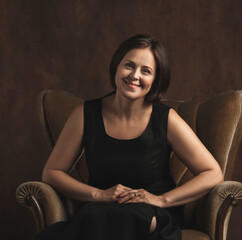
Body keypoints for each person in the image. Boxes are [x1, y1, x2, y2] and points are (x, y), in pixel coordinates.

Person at [38, 34, 223, 240]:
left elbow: (213, 172)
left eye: (146, 71)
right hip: (100, 211)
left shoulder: (166, 119)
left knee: (104, 218)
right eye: (129, 65)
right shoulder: (85, 113)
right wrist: (99, 195)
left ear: (155, 80)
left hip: (152, 214)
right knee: (96, 215)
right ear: (116, 67)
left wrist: (162, 200)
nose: (135, 75)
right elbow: (51, 172)